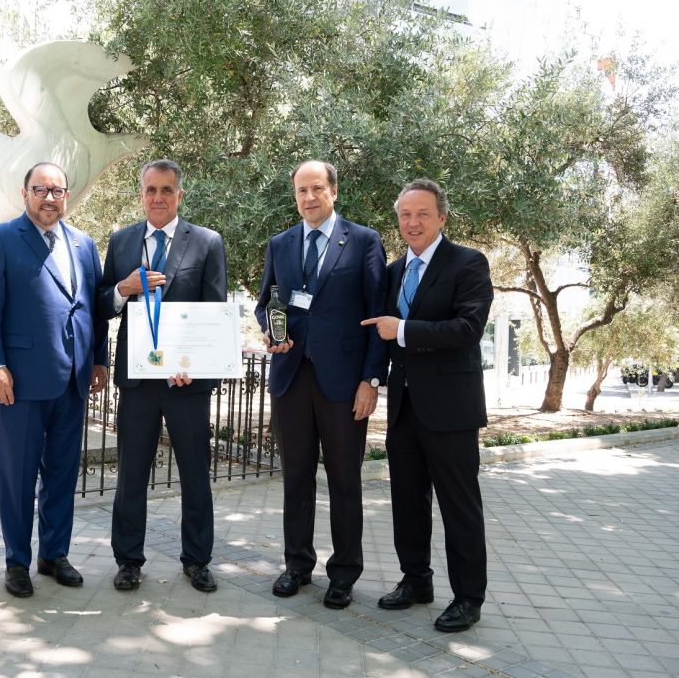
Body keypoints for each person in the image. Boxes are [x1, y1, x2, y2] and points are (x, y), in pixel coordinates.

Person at [0, 162, 109, 598]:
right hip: (19, 383)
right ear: (25, 192)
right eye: (40, 189)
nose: (49, 198)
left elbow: (93, 309)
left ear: (66, 195)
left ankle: (54, 554)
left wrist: (99, 360)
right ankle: (17, 561)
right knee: (17, 475)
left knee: (63, 473)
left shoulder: (85, 245)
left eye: (57, 190)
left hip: (73, 379)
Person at [361, 178, 493, 632]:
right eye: (405, 215)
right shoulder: (395, 270)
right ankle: (416, 580)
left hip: (452, 410)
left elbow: (467, 329)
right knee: (407, 502)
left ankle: (469, 598)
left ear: (441, 217)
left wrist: (402, 330)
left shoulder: (468, 263)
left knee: (459, 505)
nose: (412, 223)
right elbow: (379, 331)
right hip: (404, 407)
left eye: (422, 214)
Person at [254, 160, 387, 609]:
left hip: (345, 384)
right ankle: (297, 565)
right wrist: (272, 332)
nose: (308, 198)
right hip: (291, 377)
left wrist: (371, 379)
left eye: (316, 189)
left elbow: (375, 319)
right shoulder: (280, 243)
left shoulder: (365, 241)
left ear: (333, 190)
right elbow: (264, 302)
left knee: (345, 480)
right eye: (300, 191)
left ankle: (344, 573)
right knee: (295, 477)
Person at [97, 159, 226, 593]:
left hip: (186, 384)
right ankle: (129, 560)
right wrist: (123, 289)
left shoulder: (207, 243)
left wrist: (195, 363)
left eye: (166, 190)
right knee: (131, 474)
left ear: (179, 196)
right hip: (137, 385)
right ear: (141, 194)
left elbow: (213, 310)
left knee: (194, 472)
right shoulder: (121, 241)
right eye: (150, 190)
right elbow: (102, 304)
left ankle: (197, 560)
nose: (158, 198)